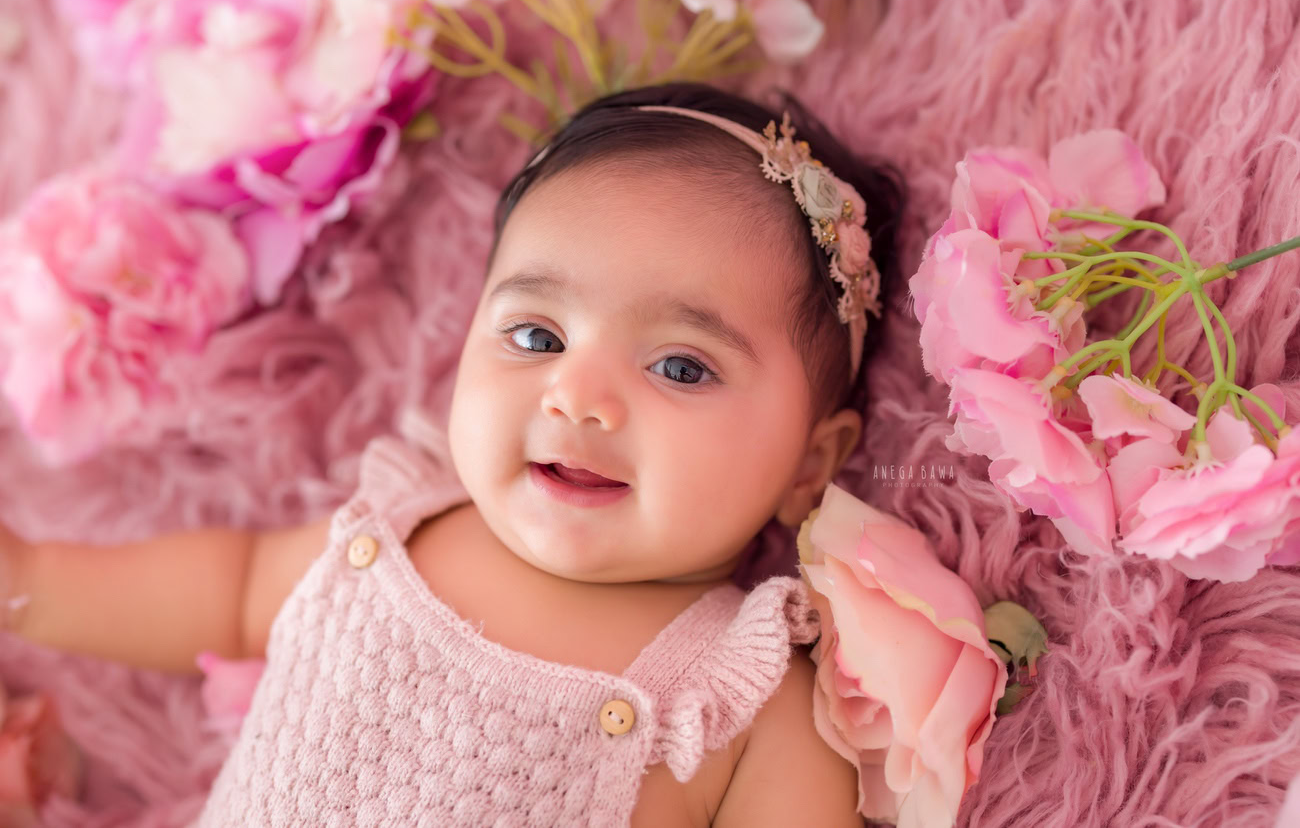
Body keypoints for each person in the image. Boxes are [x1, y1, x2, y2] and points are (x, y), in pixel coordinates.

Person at [1, 80, 905, 826]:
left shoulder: (742, 696)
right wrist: (32, 577)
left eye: (680, 364)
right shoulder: (405, 528)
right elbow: (231, 591)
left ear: (809, 465)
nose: (577, 397)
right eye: (538, 336)